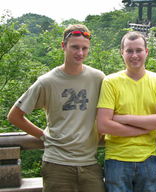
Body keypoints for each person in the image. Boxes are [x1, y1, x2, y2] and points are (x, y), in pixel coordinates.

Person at [7, 24, 106, 192]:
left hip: (90, 163)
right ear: (63, 46)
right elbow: (14, 116)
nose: (80, 53)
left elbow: (107, 113)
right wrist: (43, 136)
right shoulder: (47, 81)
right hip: (57, 164)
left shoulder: (98, 78)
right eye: (74, 47)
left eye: (84, 48)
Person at [97, 31, 156, 192]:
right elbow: (103, 125)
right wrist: (147, 126)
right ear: (122, 53)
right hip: (116, 159)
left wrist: (124, 118)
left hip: (148, 159)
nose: (134, 55)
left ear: (147, 51)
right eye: (129, 51)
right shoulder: (111, 82)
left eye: (139, 50)